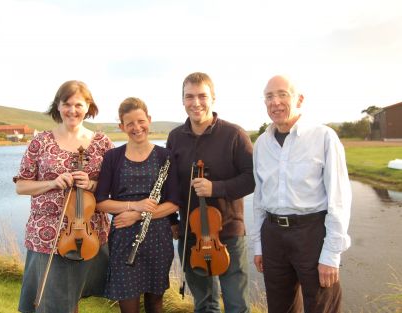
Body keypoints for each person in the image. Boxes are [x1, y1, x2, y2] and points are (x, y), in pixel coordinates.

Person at [251, 75, 352, 313]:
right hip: (273, 236)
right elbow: (259, 199)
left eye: (282, 94)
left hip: (312, 234)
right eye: (269, 96)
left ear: (300, 99)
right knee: (279, 308)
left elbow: (339, 199)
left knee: (321, 306)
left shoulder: (324, 137)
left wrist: (331, 254)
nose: (275, 102)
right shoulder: (261, 145)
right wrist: (258, 246)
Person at [14, 80, 114, 313]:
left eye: (78, 104)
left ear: (88, 106)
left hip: (89, 232)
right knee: (53, 302)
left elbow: (114, 188)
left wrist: (91, 184)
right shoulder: (40, 142)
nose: (72, 110)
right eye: (66, 103)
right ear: (57, 106)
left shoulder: (102, 143)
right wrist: (52, 183)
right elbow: (21, 186)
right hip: (47, 234)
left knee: (71, 298)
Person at [167, 72, 255, 313]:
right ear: (182, 100)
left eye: (202, 96)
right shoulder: (175, 137)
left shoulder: (234, 135)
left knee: (236, 304)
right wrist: (172, 220)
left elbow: (252, 179)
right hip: (190, 233)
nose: (196, 103)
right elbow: (170, 183)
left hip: (227, 232)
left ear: (213, 98)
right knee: (205, 303)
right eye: (189, 97)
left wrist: (216, 188)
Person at [95, 97, 180, 313]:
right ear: (121, 126)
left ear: (149, 120)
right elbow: (101, 202)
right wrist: (133, 206)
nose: (136, 127)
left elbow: (174, 204)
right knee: (128, 304)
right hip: (123, 237)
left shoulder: (165, 156)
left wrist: (139, 215)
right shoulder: (112, 157)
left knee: (155, 303)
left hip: (158, 236)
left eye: (141, 121)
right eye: (129, 123)